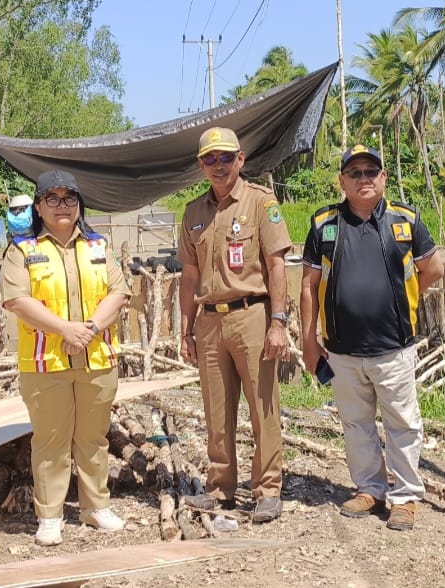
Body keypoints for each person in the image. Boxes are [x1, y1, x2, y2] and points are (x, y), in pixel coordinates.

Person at [300, 144, 445, 531]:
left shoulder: (405, 220)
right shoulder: (323, 224)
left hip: (392, 347)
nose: (363, 179)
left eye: (370, 172)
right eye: (355, 173)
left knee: (402, 422)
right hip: (342, 350)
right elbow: (308, 283)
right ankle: (369, 489)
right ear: (342, 181)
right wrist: (309, 340)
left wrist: (402, 299)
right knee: (355, 423)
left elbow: (434, 269)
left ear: (383, 178)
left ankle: (405, 496)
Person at [0, 169, 131, 546]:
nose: (62, 206)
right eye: (52, 199)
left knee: (93, 437)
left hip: (96, 359)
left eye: (69, 198)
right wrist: (64, 330)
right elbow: (17, 301)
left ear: (79, 205)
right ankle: (51, 515)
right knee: (51, 441)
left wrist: (85, 329)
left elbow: (119, 294)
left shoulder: (98, 246)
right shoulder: (22, 251)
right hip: (45, 365)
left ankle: (94, 507)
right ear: (38, 206)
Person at [176, 127, 291, 523]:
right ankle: (220, 488)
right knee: (216, 412)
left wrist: (279, 321)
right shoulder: (193, 213)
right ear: (200, 165)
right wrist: (185, 328)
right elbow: (189, 276)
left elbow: (277, 265)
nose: (218, 165)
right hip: (209, 323)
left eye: (226, 157)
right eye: (210, 159)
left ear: (240, 159)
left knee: (264, 408)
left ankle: (268, 490)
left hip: (252, 316)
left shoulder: (261, 203)